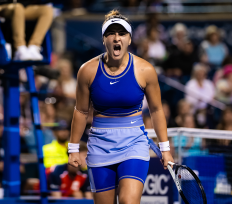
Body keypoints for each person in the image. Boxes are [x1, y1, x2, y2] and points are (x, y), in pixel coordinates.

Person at [68, 10, 174, 204]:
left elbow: (157, 110)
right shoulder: (87, 71)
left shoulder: (145, 70)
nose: (116, 38)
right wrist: (73, 148)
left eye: (122, 33)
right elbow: (81, 111)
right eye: (111, 33)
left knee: (128, 202)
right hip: (100, 146)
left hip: (134, 143)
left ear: (129, 39)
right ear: (103, 39)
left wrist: (165, 148)